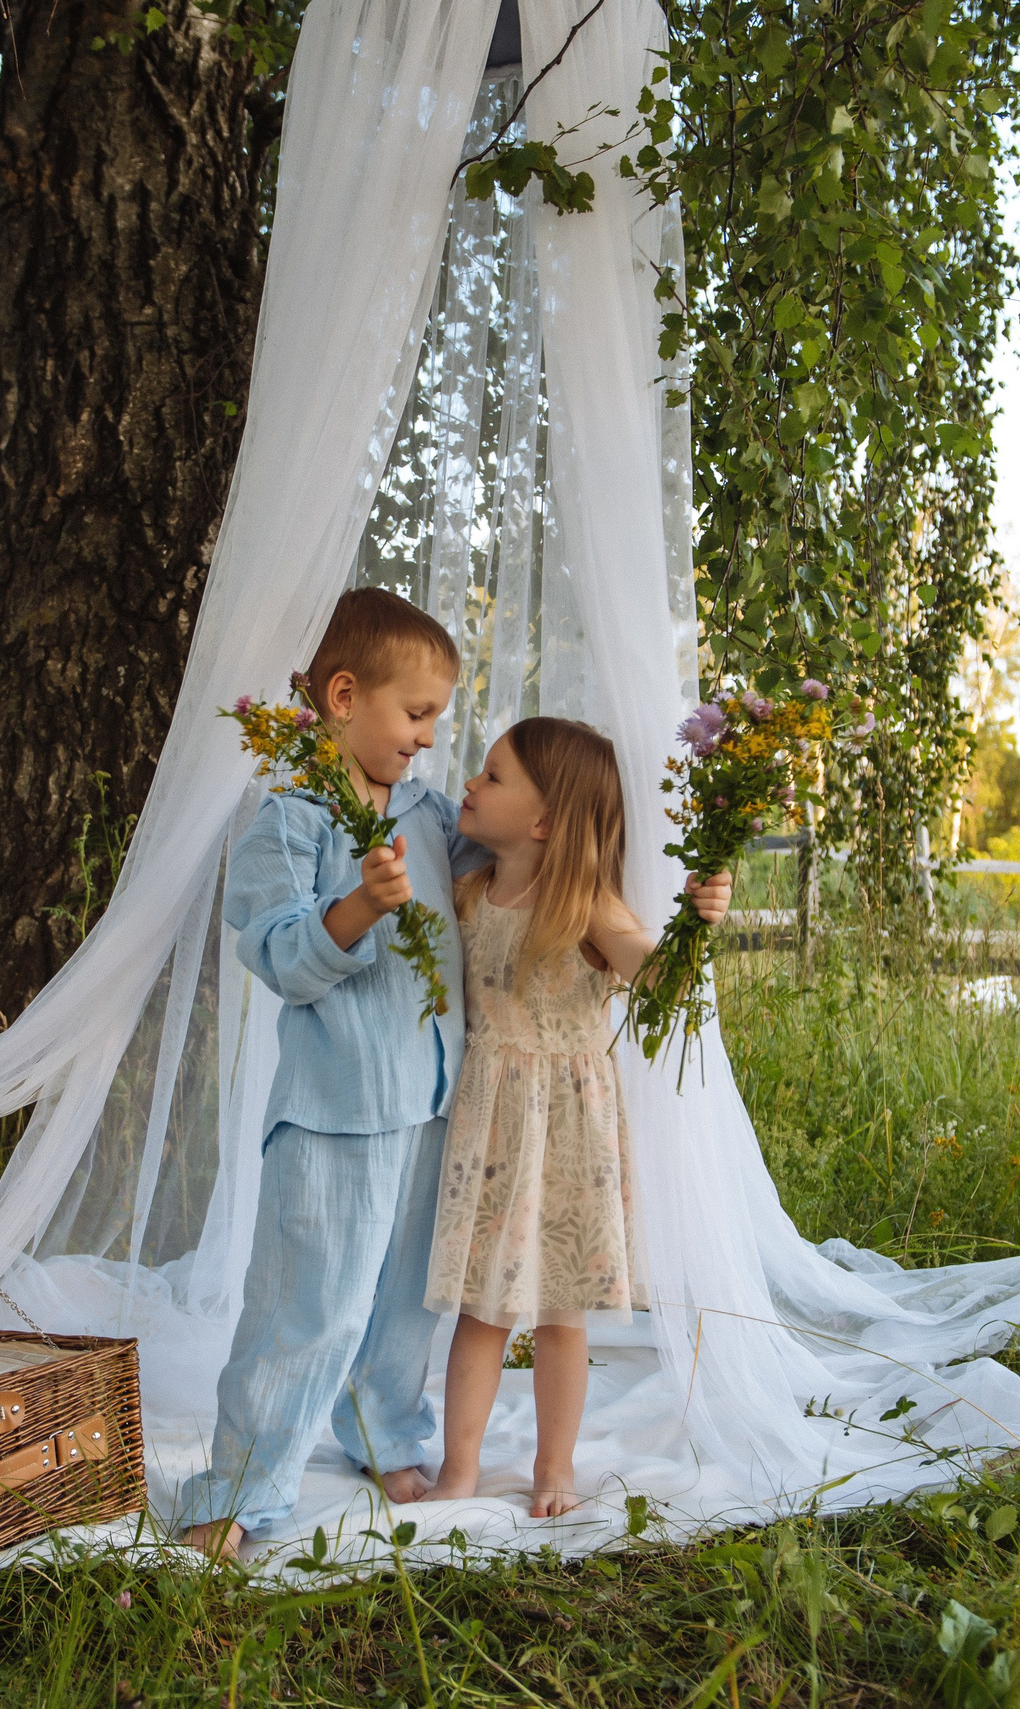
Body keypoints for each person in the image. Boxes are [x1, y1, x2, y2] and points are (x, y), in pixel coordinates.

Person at [176, 588, 480, 1558]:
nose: (428, 735)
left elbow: (502, 873)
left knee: (405, 1300)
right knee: (309, 1303)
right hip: (335, 1105)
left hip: (429, 1096)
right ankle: (239, 1485)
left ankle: (382, 1430)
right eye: (416, 712)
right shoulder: (291, 818)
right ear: (344, 696)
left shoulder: (428, 814)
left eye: (436, 716)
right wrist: (358, 907)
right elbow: (278, 955)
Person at [420, 718, 727, 1516]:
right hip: (493, 1128)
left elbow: (657, 979)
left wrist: (697, 923)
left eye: (493, 776)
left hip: (568, 1131)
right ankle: (459, 1468)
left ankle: (553, 1464)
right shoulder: (468, 893)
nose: (471, 783)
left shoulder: (586, 905)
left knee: (560, 1313)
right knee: (483, 1309)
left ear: (546, 821)